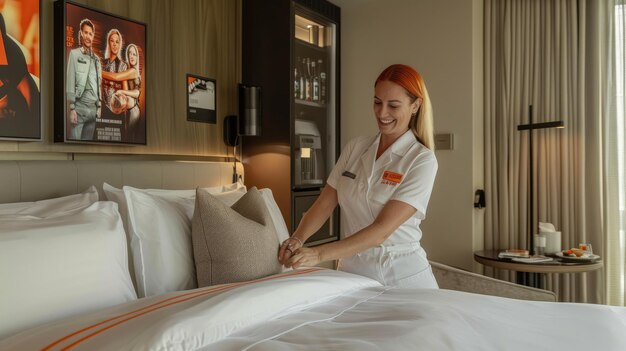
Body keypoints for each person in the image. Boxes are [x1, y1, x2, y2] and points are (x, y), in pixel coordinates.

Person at [279, 64, 438, 288]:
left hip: (400, 276)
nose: (382, 113)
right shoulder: (356, 147)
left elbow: (380, 232)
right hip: (352, 274)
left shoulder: (421, 160)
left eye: (393, 105)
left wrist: (317, 254)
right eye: (377, 102)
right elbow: (325, 203)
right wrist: (297, 238)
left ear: (415, 105)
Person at [66, 18, 101, 140]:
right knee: (74, 145)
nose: (88, 36)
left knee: (87, 149)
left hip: (93, 110)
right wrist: (72, 109)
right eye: (85, 33)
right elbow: (70, 81)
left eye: (90, 34)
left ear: (93, 36)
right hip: (79, 108)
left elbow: (99, 83)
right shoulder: (74, 54)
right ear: (81, 33)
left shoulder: (97, 59)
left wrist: (99, 105)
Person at [103, 43, 141, 141]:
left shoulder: (134, 71)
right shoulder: (127, 69)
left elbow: (137, 93)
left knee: (129, 137)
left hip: (133, 110)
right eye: (130, 53)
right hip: (128, 109)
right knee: (127, 137)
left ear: (137, 56)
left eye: (134, 54)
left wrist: (99, 71)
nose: (132, 56)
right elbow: (123, 82)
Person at [101, 29, 127, 122]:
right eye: (112, 41)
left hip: (118, 112)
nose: (114, 44)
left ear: (120, 44)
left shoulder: (123, 65)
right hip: (103, 110)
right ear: (108, 43)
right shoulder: (102, 63)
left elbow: (125, 91)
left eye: (117, 41)